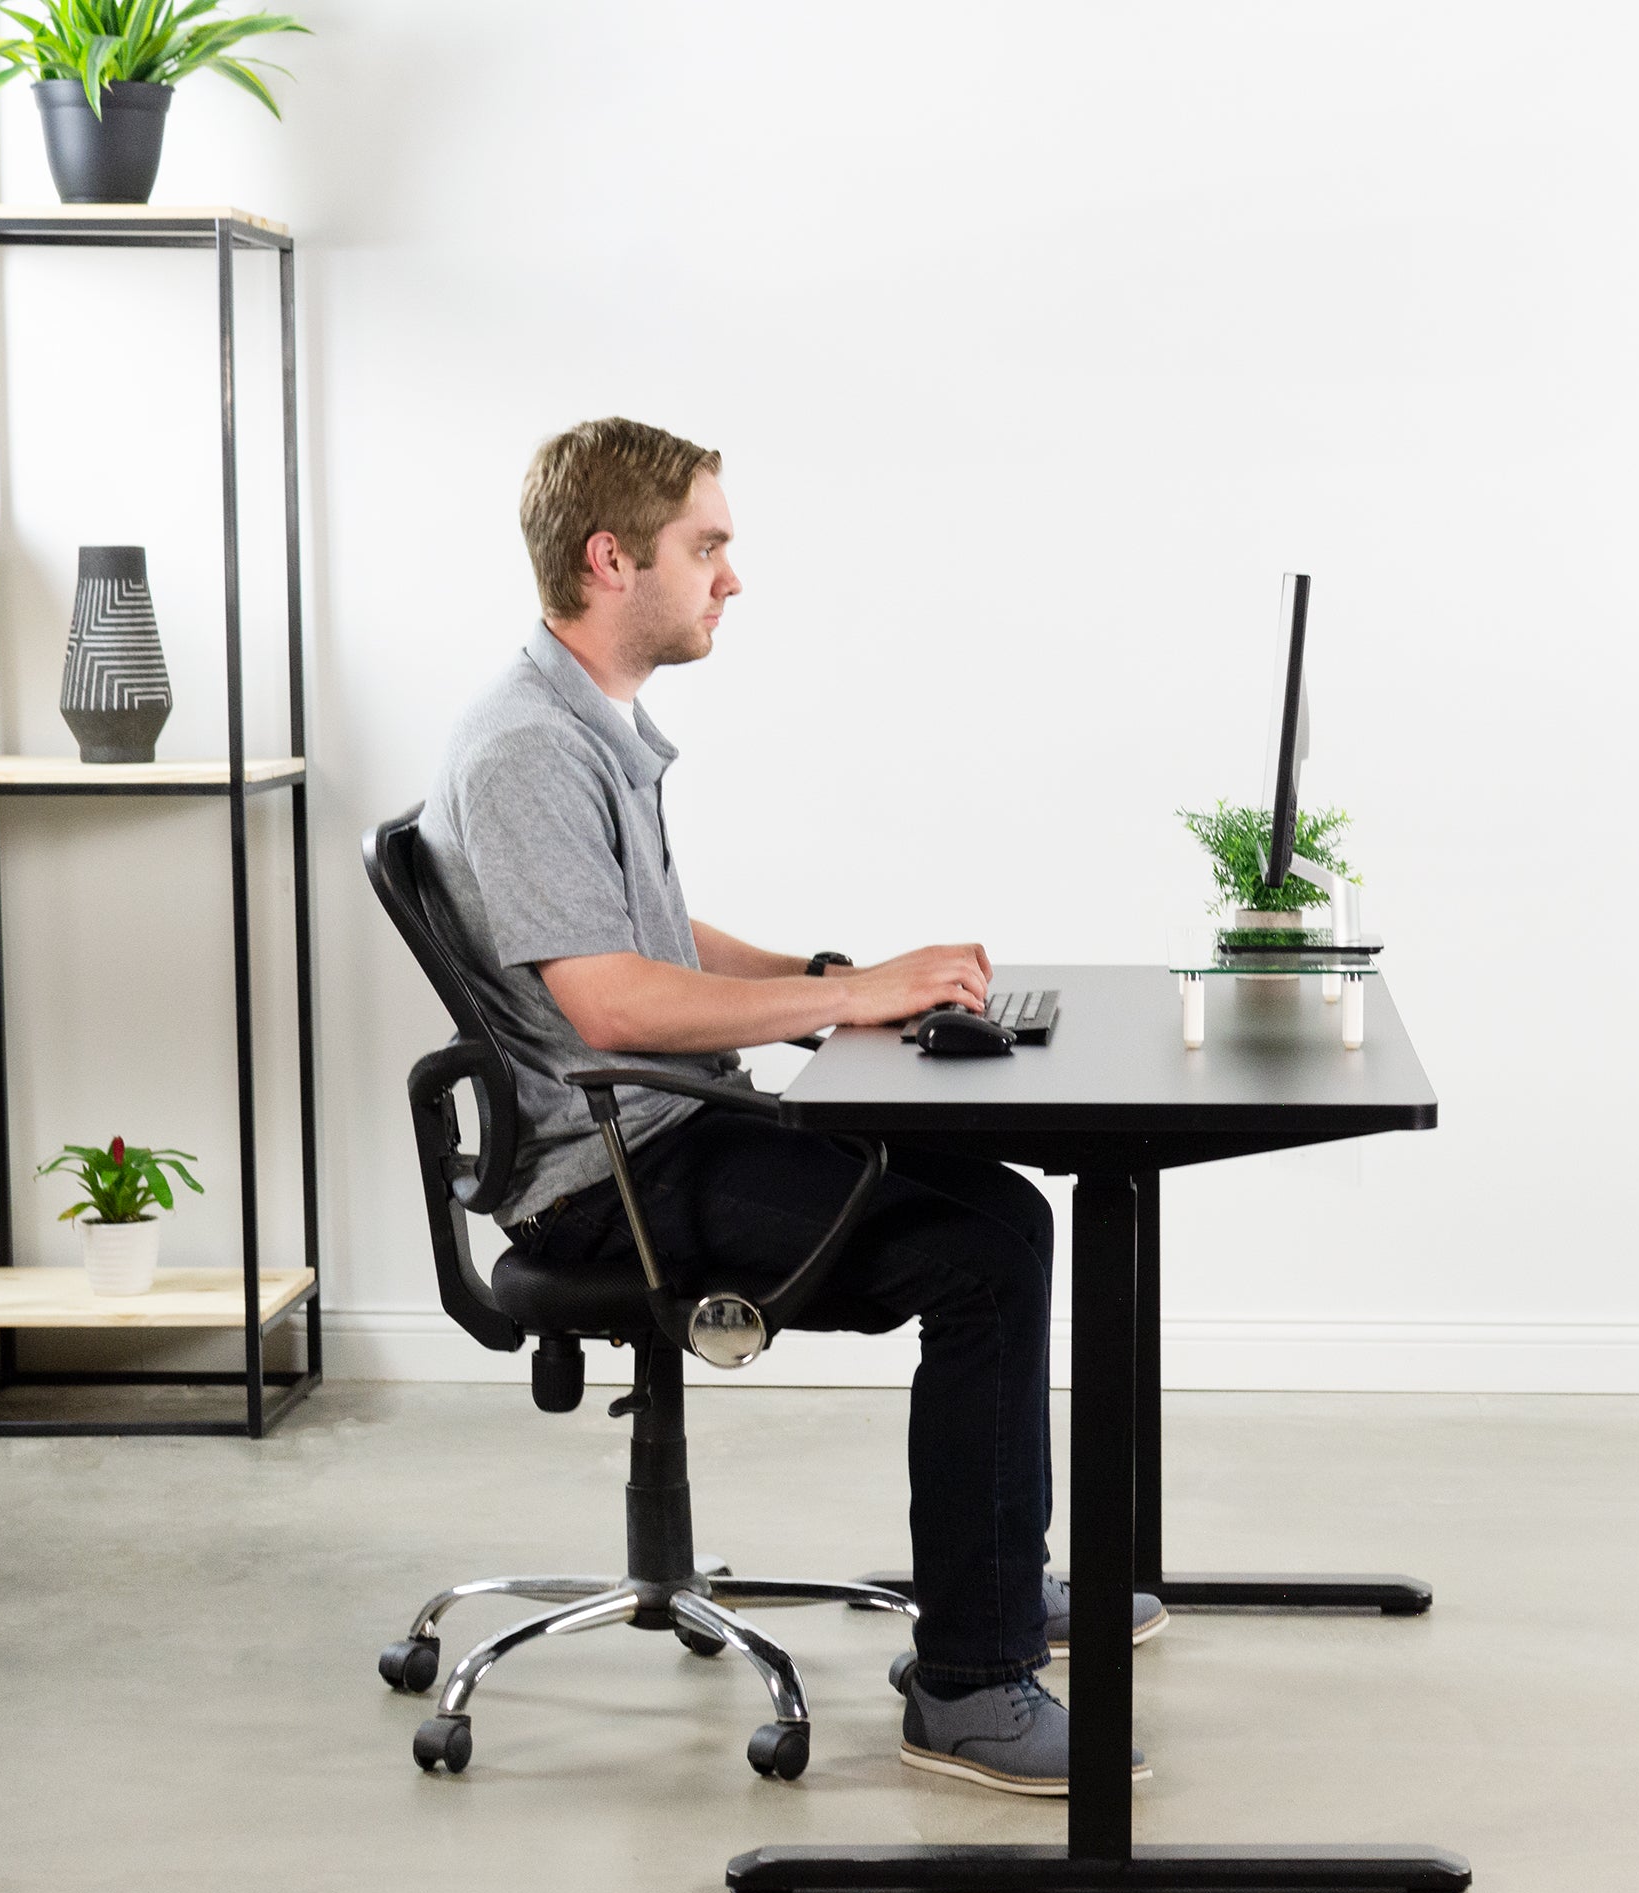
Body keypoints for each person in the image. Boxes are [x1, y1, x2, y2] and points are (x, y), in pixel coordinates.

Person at [417, 416, 1165, 1795]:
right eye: (708, 547)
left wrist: (829, 976)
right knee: (989, 1247)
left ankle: (992, 1596)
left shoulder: (580, 718)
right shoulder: (527, 747)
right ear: (611, 559)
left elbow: (648, 933)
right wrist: (841, 1001)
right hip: (607, 1184)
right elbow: (616, 1007)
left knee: (998, 1212)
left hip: (657, 1131)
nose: (731, 578)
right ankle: (968, 1685)